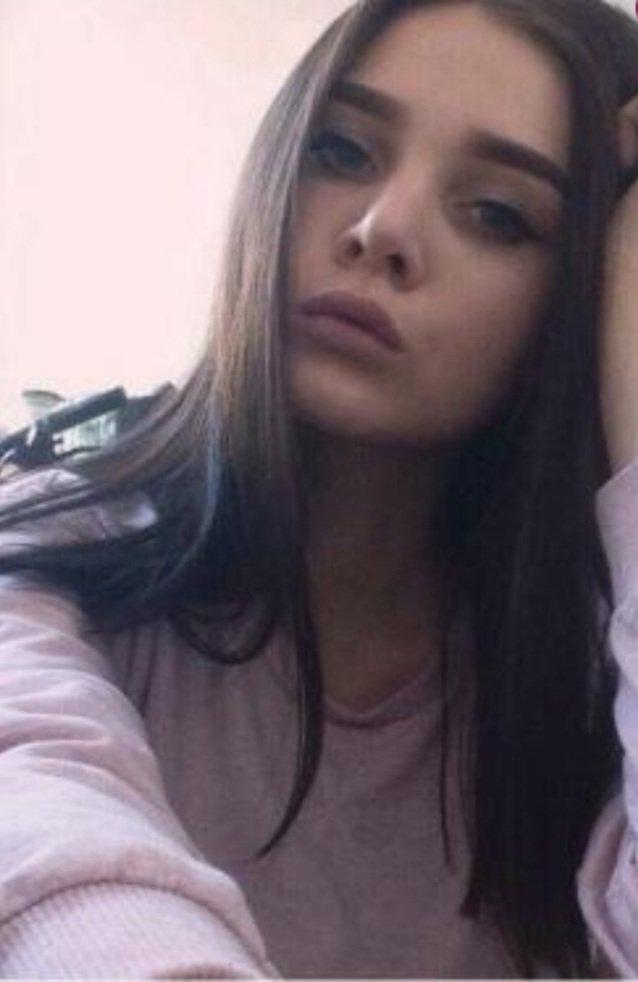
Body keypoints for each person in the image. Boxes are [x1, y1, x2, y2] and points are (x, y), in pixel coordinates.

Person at [1, 0, 638, 975]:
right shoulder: (49, 551)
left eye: (495, 214)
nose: (382, 231)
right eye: (340, 151)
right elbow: (39, 825)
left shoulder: (594, 676)